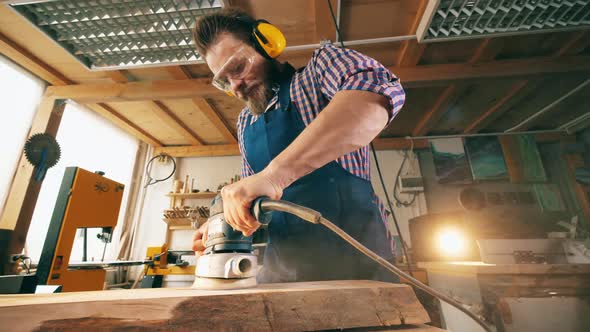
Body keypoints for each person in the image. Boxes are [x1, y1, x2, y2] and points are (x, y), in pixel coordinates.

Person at [191, 8, 405, 283]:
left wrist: (273, 176)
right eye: (224, 81)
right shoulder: (245, 122)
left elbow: (373, 98)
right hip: (282, 277)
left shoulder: (318, 71)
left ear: (266, 43)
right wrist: (224, 226)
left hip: (360, 267)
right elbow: (252, 203)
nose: (236, 86)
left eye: (238, 67)